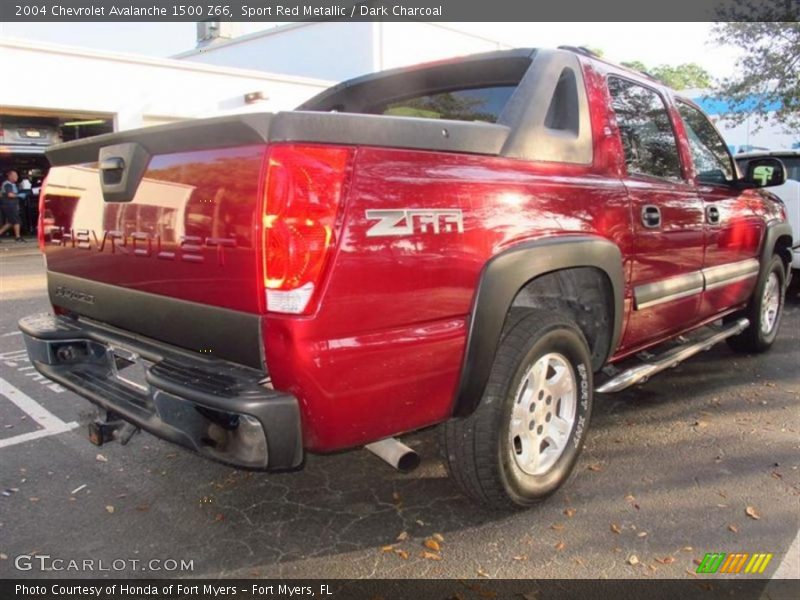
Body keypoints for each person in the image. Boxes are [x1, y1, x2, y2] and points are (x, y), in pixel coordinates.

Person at [0, 170, 26, 243]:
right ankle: (18, 237)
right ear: (10, 176)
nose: (16, 177)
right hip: (9, 205)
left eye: (17, 176)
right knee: (16, 221)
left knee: (11, 222)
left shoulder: (12, 184)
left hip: (11, 205)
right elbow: (10, 195)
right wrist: (19, 195)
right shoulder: (7, 184)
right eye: (15, 176)